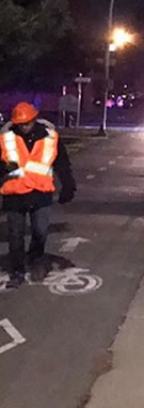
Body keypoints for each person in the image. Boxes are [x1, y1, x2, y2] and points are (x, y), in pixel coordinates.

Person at [2, 102, 76, 286]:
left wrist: (68, 185)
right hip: (14, 195)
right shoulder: (6, 139)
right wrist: (7, 169)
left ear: (34, 120)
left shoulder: (50, 138)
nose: (24, 127)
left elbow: (62, 164)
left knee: (40, 232)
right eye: (21, 124)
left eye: (27, 123)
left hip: (40, 194)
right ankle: (17, 270)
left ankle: (35, 261)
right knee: (15, 235)